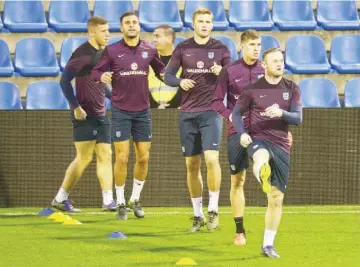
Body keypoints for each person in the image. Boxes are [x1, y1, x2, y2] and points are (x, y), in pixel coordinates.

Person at [91, 12, 166, 220]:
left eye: (134, 22)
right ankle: (121, 201)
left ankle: (135, 199)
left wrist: (179, 77)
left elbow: (163, 73)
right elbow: (95, 73)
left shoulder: (149, 50)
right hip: (121, 111)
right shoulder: (112, 50)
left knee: (143, 157)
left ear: (139, 26)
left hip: (143, 111)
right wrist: (102, 76)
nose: (131, 26)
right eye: (127, 23)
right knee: (122, 158)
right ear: (121, 28)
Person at [164, 8, 232, 232]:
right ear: (193, 24)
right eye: (201, 21)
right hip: (187, 113)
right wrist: (180, 82)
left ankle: (213, 209)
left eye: (208, 21)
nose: (204, 25)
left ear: (212, 25)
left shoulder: (221, 49)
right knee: (192, 165)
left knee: (212, 160)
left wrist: (222, 71)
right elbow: (168, 76)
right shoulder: (183, 48)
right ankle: (197, 214)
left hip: (211, 112)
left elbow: (233, 78)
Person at [231, 48, 303, 258]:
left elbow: (298, 118)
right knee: (261, 156)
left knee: (277, 197)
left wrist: (281, 112)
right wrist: (242, 133)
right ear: (264, 64)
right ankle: (262, 171)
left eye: (281, 61)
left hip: (281, 143)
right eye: (275, 61)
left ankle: (267, 245)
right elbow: (236, 113)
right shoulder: (251, 89)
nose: (279, 64)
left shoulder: (292, 88)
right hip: (258, 138)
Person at [52, 16, 115, 212]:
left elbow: (99, 82)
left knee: (106, 154)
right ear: (92, 33)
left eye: (108, 30)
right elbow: (64, 81)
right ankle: (60, 198)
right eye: (104, 31)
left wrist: (114, 96)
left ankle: (108, 201)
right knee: (84, 158)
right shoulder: (81, 54)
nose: (108, 34)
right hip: (84, 114)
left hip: (101, 113)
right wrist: (75, 107)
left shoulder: (104, 54)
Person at [212, 30, 264, 245]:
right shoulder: (229, 71)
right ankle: (239, 231)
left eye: (259, 44)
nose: (256, 48)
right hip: (237, 132)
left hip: (263, 130)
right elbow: (216, 101)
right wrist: (230, 118)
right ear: (242, 46)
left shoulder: (266, 69)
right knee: (238, 180)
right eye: (252, 44)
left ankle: (270, 234)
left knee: (267, 172)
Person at [149, 25, 181, 109]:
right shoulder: (149, 60)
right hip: (152, 110)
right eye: (154, 36)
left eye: (157, 36)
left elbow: (186, 89)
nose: (154, 40)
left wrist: (168, 107)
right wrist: (155, 106)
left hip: (176, 112)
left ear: (169, 38)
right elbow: (142, 87)